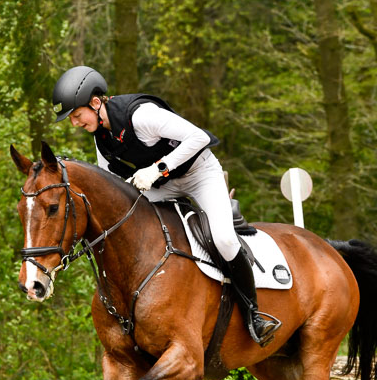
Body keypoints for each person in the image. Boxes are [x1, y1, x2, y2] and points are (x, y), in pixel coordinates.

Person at [52, 65, 280, 346]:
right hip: (161, 186)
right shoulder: (102, 140)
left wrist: (158, 168)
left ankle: (254, 314)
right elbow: (112, 187)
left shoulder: (141, 115)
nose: (75, 123)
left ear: (96, 103)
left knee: (223, 239)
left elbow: (199, 137)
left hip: (199, 175)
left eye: (76, 116)